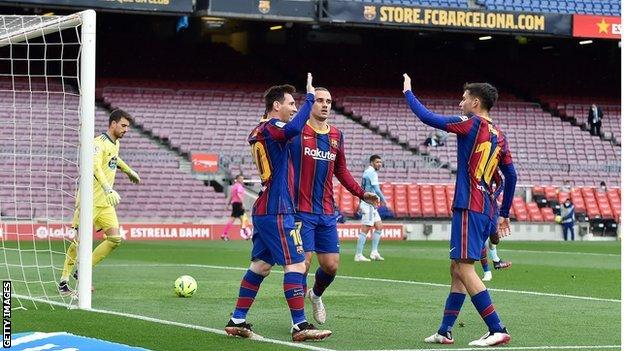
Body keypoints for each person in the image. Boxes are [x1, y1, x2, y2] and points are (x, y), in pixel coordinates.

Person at [403, 74, 517, 347]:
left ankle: (496, 328)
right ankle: (445, 331)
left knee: (465, 270)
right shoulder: (500, 135)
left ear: (475, 102)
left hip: (469, 204)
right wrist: (504, 213)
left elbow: (428, 118)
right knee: (457, 268)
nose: (460, 102)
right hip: (486, 207)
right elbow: (511, 176)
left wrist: (408, 92)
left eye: (464, 98)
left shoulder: (470, 124)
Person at [224, 74, 332, 342]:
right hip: (278, 208)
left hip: (265, 207)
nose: (295, 108)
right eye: (291, 104)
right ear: (276, 106)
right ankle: (300, 326)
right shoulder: (271, 127)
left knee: (260, 266)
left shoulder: (259, 130)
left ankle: (237, 320)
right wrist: (309, 98)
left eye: (297, 104)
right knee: (296, 265)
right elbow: (293, 130)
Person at [288, 86, 378, 325]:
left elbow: (341, 170)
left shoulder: (336, 135)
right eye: (319, 100)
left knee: (331, 266)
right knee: (303, 263)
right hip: (300, 210)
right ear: (310, 104)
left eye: (328, 101)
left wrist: (361, 193)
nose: (325, 104)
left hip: (327, 210)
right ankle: (299, 320)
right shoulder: (297, 132)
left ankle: (315, 296)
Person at [58, 109, 141, 295]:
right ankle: (63, 281)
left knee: (114, 239)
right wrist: (108, 188)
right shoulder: (98, 143)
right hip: (89, 201)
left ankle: (82, 272)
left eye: (127, 126)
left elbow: (114, 159)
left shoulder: (115, 144)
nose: (126, 130)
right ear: (113, 124)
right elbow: (94, 167)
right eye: (123, 125)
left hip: (104, 203)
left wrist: (129, 171)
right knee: (78, 242)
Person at [481, 169, 512, 282]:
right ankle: (487, 272)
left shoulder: (491, 168)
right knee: (481, 239)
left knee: (494, 238)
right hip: (477, 205)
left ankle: (496, 260)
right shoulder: (472, 167)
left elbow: (501, 183)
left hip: (492, 207)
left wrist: (494, 195)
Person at [355, 155, 387, 262]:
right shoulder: (372, 173)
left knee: (379, 226)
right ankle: (358, 255)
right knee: (365, 229)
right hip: (368, 204)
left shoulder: (366, 172)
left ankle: (374, 252)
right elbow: (377, 190)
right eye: (377, 162)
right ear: (372, 163)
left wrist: (359, 203)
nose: (379, 164)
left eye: (380, 162)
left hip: (370, 204)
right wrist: (384, 200)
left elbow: (362, 188)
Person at [221, 174, 252, 241]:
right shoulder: (239, 186)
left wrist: (228, 205)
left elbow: (231, 197)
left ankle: (224, 234)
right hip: (238, 204)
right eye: (241, 179)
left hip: (234, 204)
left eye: (242, 179)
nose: (242, 180)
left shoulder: (233, 187)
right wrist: (242, 203)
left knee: (238, 219)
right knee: (243, 219)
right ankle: (246, 235)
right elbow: (239, 194)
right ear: (237, 179)